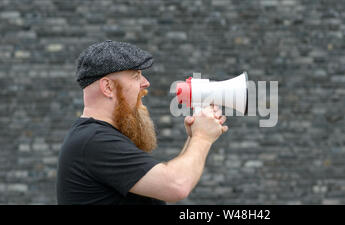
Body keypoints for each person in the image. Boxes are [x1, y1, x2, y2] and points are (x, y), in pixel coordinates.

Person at [56, 40, 228, 204]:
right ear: (107, 87)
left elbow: (164, 184)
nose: (146, 83)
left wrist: (193, 138)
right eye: (135, 76)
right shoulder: (94, 142)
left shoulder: (94, 138)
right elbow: (176, 185)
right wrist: (202, 137)